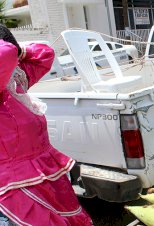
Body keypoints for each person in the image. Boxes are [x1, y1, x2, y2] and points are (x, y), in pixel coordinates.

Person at [0, 25, 92, 225]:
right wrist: (12, 49)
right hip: (13, 184)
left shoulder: (14, 80)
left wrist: (20, 51)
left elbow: (45, 54)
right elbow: (4, 53)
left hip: (42, 170)